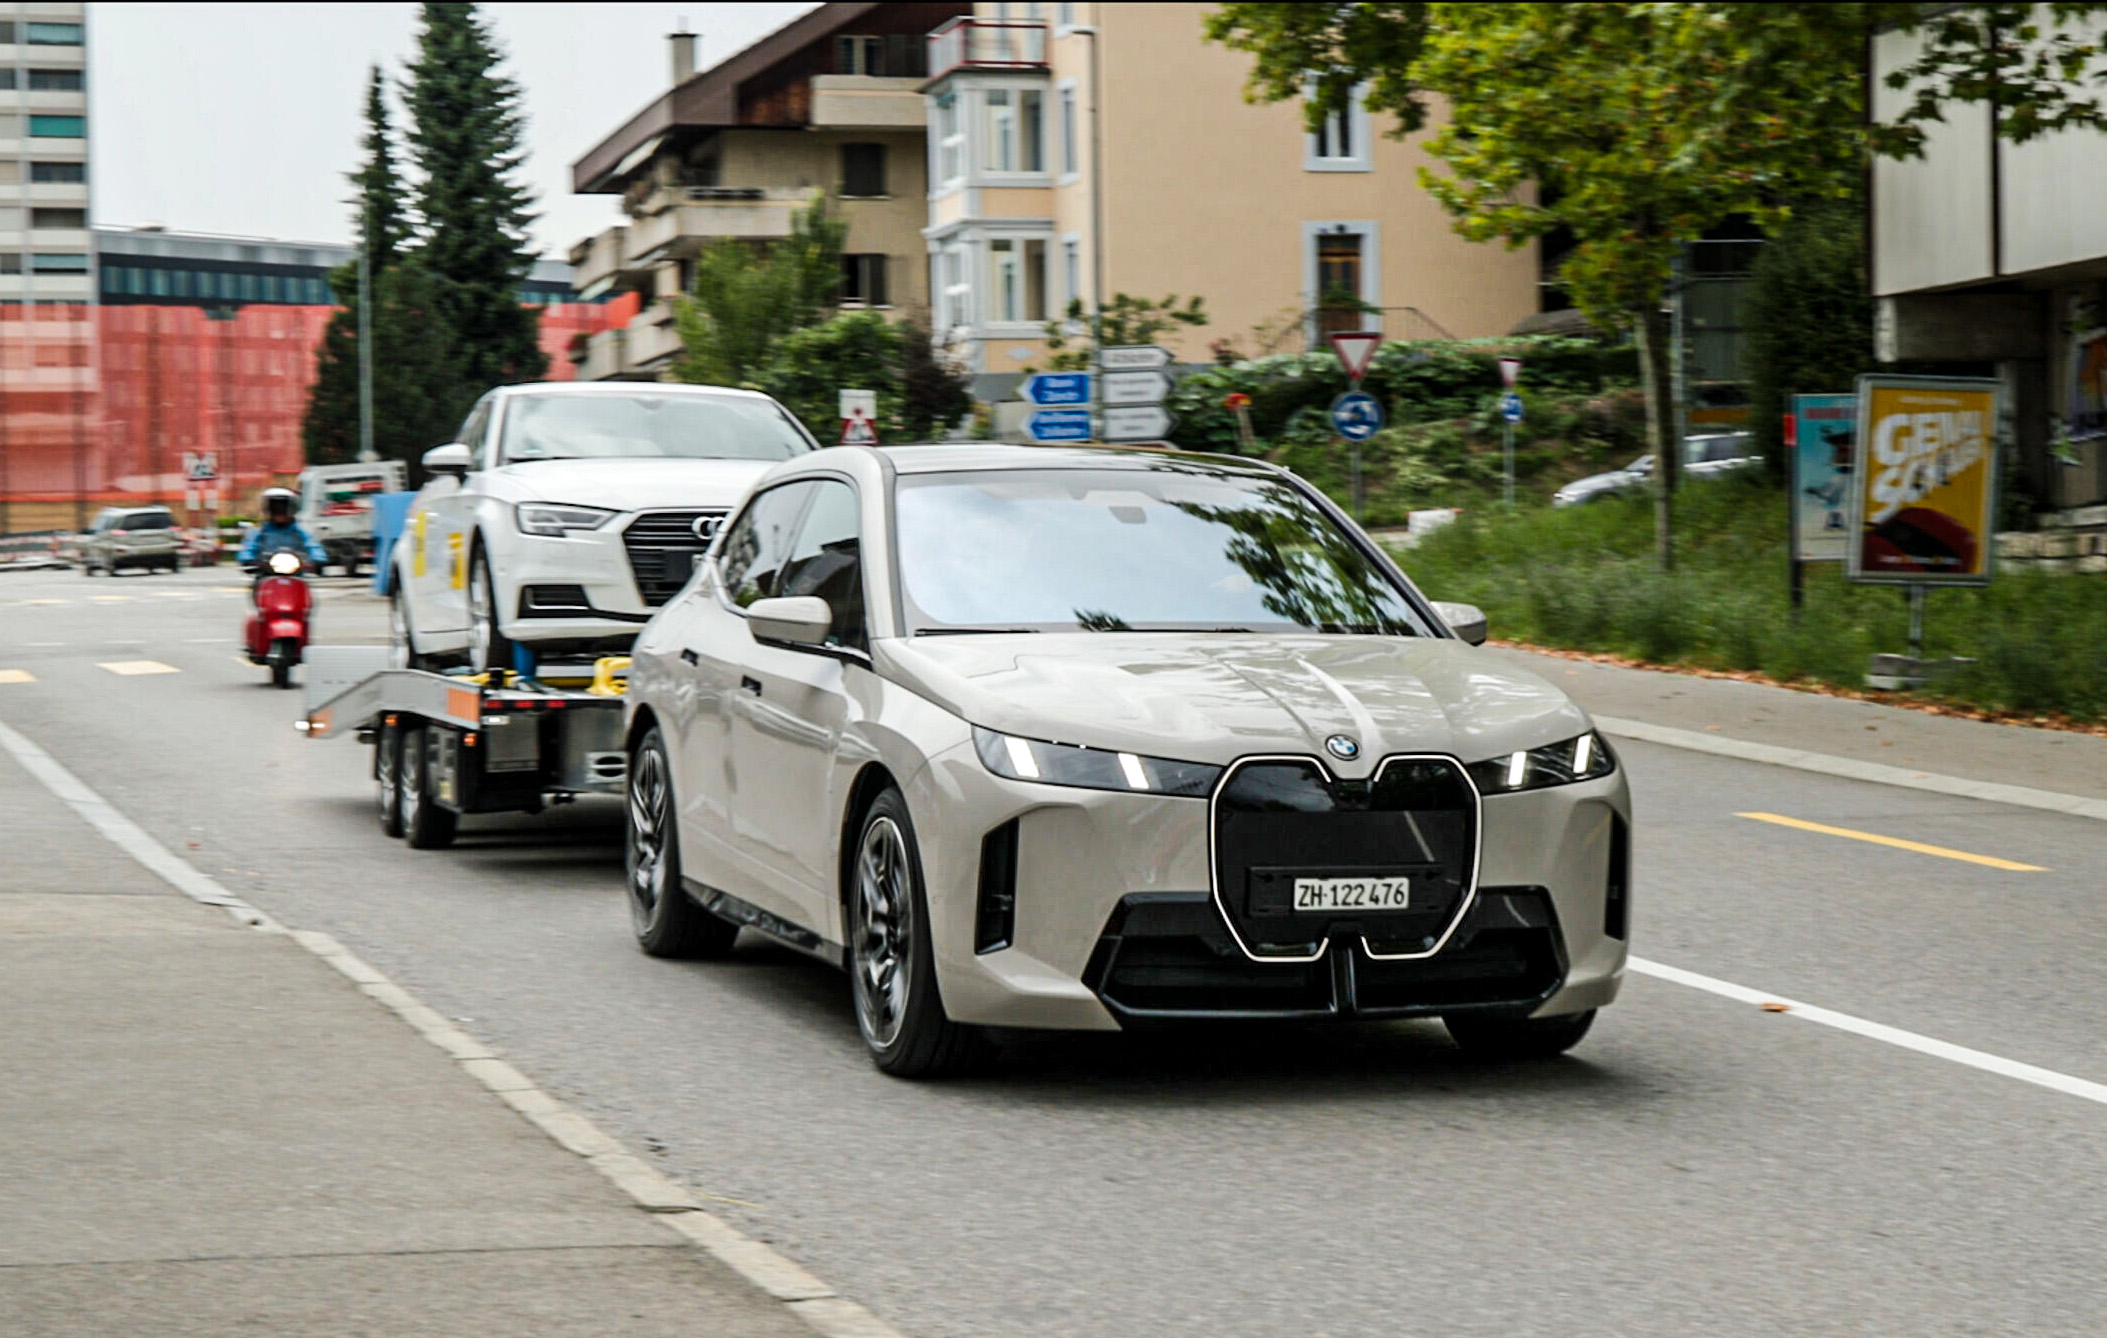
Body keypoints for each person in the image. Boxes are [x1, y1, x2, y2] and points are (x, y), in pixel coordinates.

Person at [238, 488, 327, 571]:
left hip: (297, 573)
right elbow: (249, 547)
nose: (279, 512)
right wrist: (248, 560)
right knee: (258, 585)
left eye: (283, 508)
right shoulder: (259, 532)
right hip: (265, 573)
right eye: (275, 508)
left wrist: (318, 560)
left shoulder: (300, 532)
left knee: (306, 586)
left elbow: (312, 545)